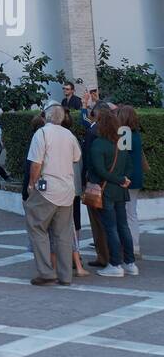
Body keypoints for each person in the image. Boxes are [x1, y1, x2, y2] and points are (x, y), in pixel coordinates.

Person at [24, 103, 81, 285]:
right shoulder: (69, 135)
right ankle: (65, 275)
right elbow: (76, 158)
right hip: (67, 189)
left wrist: (32, 184)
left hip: (47, 188)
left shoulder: (41, 134)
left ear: (46, 116)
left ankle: (46, 272)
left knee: (37, 227)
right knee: (63, 233)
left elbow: (36, 163)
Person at [89, 106, 137, 277]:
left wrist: (119, 180)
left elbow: (99, 170)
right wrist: (124, 179)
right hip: (120, 191)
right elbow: (130, 166)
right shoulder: (121, 143)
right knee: (123, 226)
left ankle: (115, 264)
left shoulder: (98, 144)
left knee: (111, 228)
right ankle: (130, 263)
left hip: (107, 190)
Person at [58, 105, 88, 277]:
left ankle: (69, 255)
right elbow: (80, 162)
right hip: (74, 186)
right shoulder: (73, 138)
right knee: (75, 221)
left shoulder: (60, 138)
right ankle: (75, 254)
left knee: (64, 223)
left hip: (64, 187)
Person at [81, 103, 111, 268]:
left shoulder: (93, 132)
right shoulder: (113, 131)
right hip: (111, 182)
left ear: (95, 113)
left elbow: (88, 159)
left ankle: (103, 256)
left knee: (97, 222)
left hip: (95, 181)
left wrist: (85, 180)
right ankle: (112, 254)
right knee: (110, 221)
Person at [116, 104, 143, 259]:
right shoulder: (136, 133)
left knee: (126, 213)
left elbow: (122, 156)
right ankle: (135, 246)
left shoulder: (124, 133)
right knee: (132, 212)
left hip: (127, 178)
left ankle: (129, 247)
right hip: (137, 177)